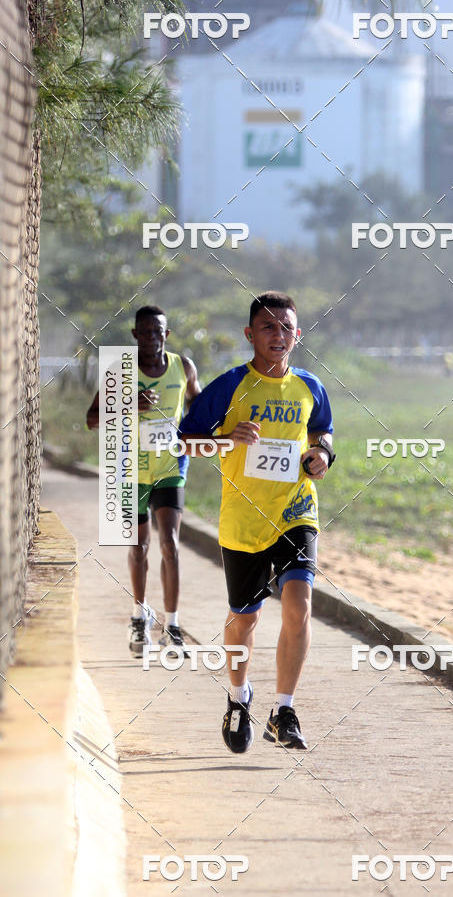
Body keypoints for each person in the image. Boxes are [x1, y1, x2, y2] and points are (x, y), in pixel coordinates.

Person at [179, 292, 335, 753]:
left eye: (286, 327)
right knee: (244, 621)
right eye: (268, 327)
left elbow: (323, 431)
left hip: (296, 511)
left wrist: (322, 455)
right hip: (243, 520)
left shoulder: (310, 386)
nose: (278, 335)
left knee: (299, 604)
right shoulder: (231, 386)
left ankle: (283, 710)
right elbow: (185, 442)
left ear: (297, 334)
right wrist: (226, 439)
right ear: (250, 334)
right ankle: (238, 696)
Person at [86, 305, 201, 655]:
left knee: (170, 544)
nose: (152, 338)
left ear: (167, 335)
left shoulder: (183, 367)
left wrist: (201, 432)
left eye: (158, 332)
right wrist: (127, 405)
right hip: (130, 470)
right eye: (145, 332)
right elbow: (92, 418)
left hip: (170, 468)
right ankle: (139, 616)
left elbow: (199, 407)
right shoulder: (119, 370)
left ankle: (173, 625)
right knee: (138, 547)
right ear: (135, 335)